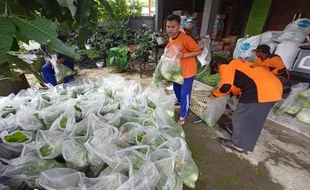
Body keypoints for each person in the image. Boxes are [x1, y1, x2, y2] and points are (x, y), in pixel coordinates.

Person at [208, 57, 282, 153]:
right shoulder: (237, 63)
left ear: (217, 66)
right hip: (273, 87)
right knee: (252, 117)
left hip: (260, 89)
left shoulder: (224, 66)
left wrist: (214, 95)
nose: (219, 73)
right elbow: (239, 85)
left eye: (217, 71)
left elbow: (226, 86)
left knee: (241, 116)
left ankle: (238, 145)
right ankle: (238, 131)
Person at [165, 14, 202, 125]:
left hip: (188, 72)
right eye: (168, 26)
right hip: (178, 71)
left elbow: (199, 51)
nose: (170, 29)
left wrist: (184, 56)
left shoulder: (186, 39)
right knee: (176, 89)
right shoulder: (171, 38)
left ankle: (183, 115)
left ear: (179, 26)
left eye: (173, 26)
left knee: (185, 94)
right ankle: (181, 103)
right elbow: (172, 47)